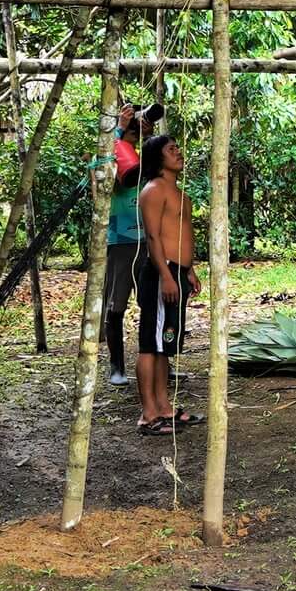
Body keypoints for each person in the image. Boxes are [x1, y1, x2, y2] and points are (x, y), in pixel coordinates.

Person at [131, 133, 200, 436]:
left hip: (178, 272)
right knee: (150, 344)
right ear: (158, 158)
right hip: (161, 273)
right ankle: (148, 414)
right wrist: (167, 275)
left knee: (164, 344)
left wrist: (189, 270)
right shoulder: (153, 190)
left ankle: (164, 406)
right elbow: (154, 238)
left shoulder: (181, 195)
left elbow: (182, 234)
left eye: (178, 148)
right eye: (172, 150)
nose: (179, 153)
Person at [100, 102, 155, 389]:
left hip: (147, 240)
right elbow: (110, 173)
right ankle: (116, 365)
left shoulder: (142, 154)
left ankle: (155, 361)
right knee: (117, 306)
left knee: (151, 304)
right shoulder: (110, 153)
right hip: (120, 240)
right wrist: (119, 132)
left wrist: (146, 139)